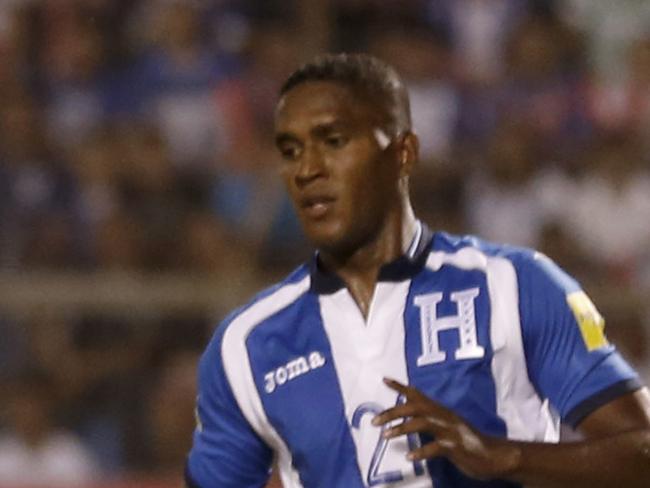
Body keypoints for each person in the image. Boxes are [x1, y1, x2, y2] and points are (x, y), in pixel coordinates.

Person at [184, 53, 650, 487]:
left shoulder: (514, 285)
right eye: (290, 150)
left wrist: (503, 456)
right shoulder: (247, 345)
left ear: (404, 152)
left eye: (333, 141)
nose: (307, 169)